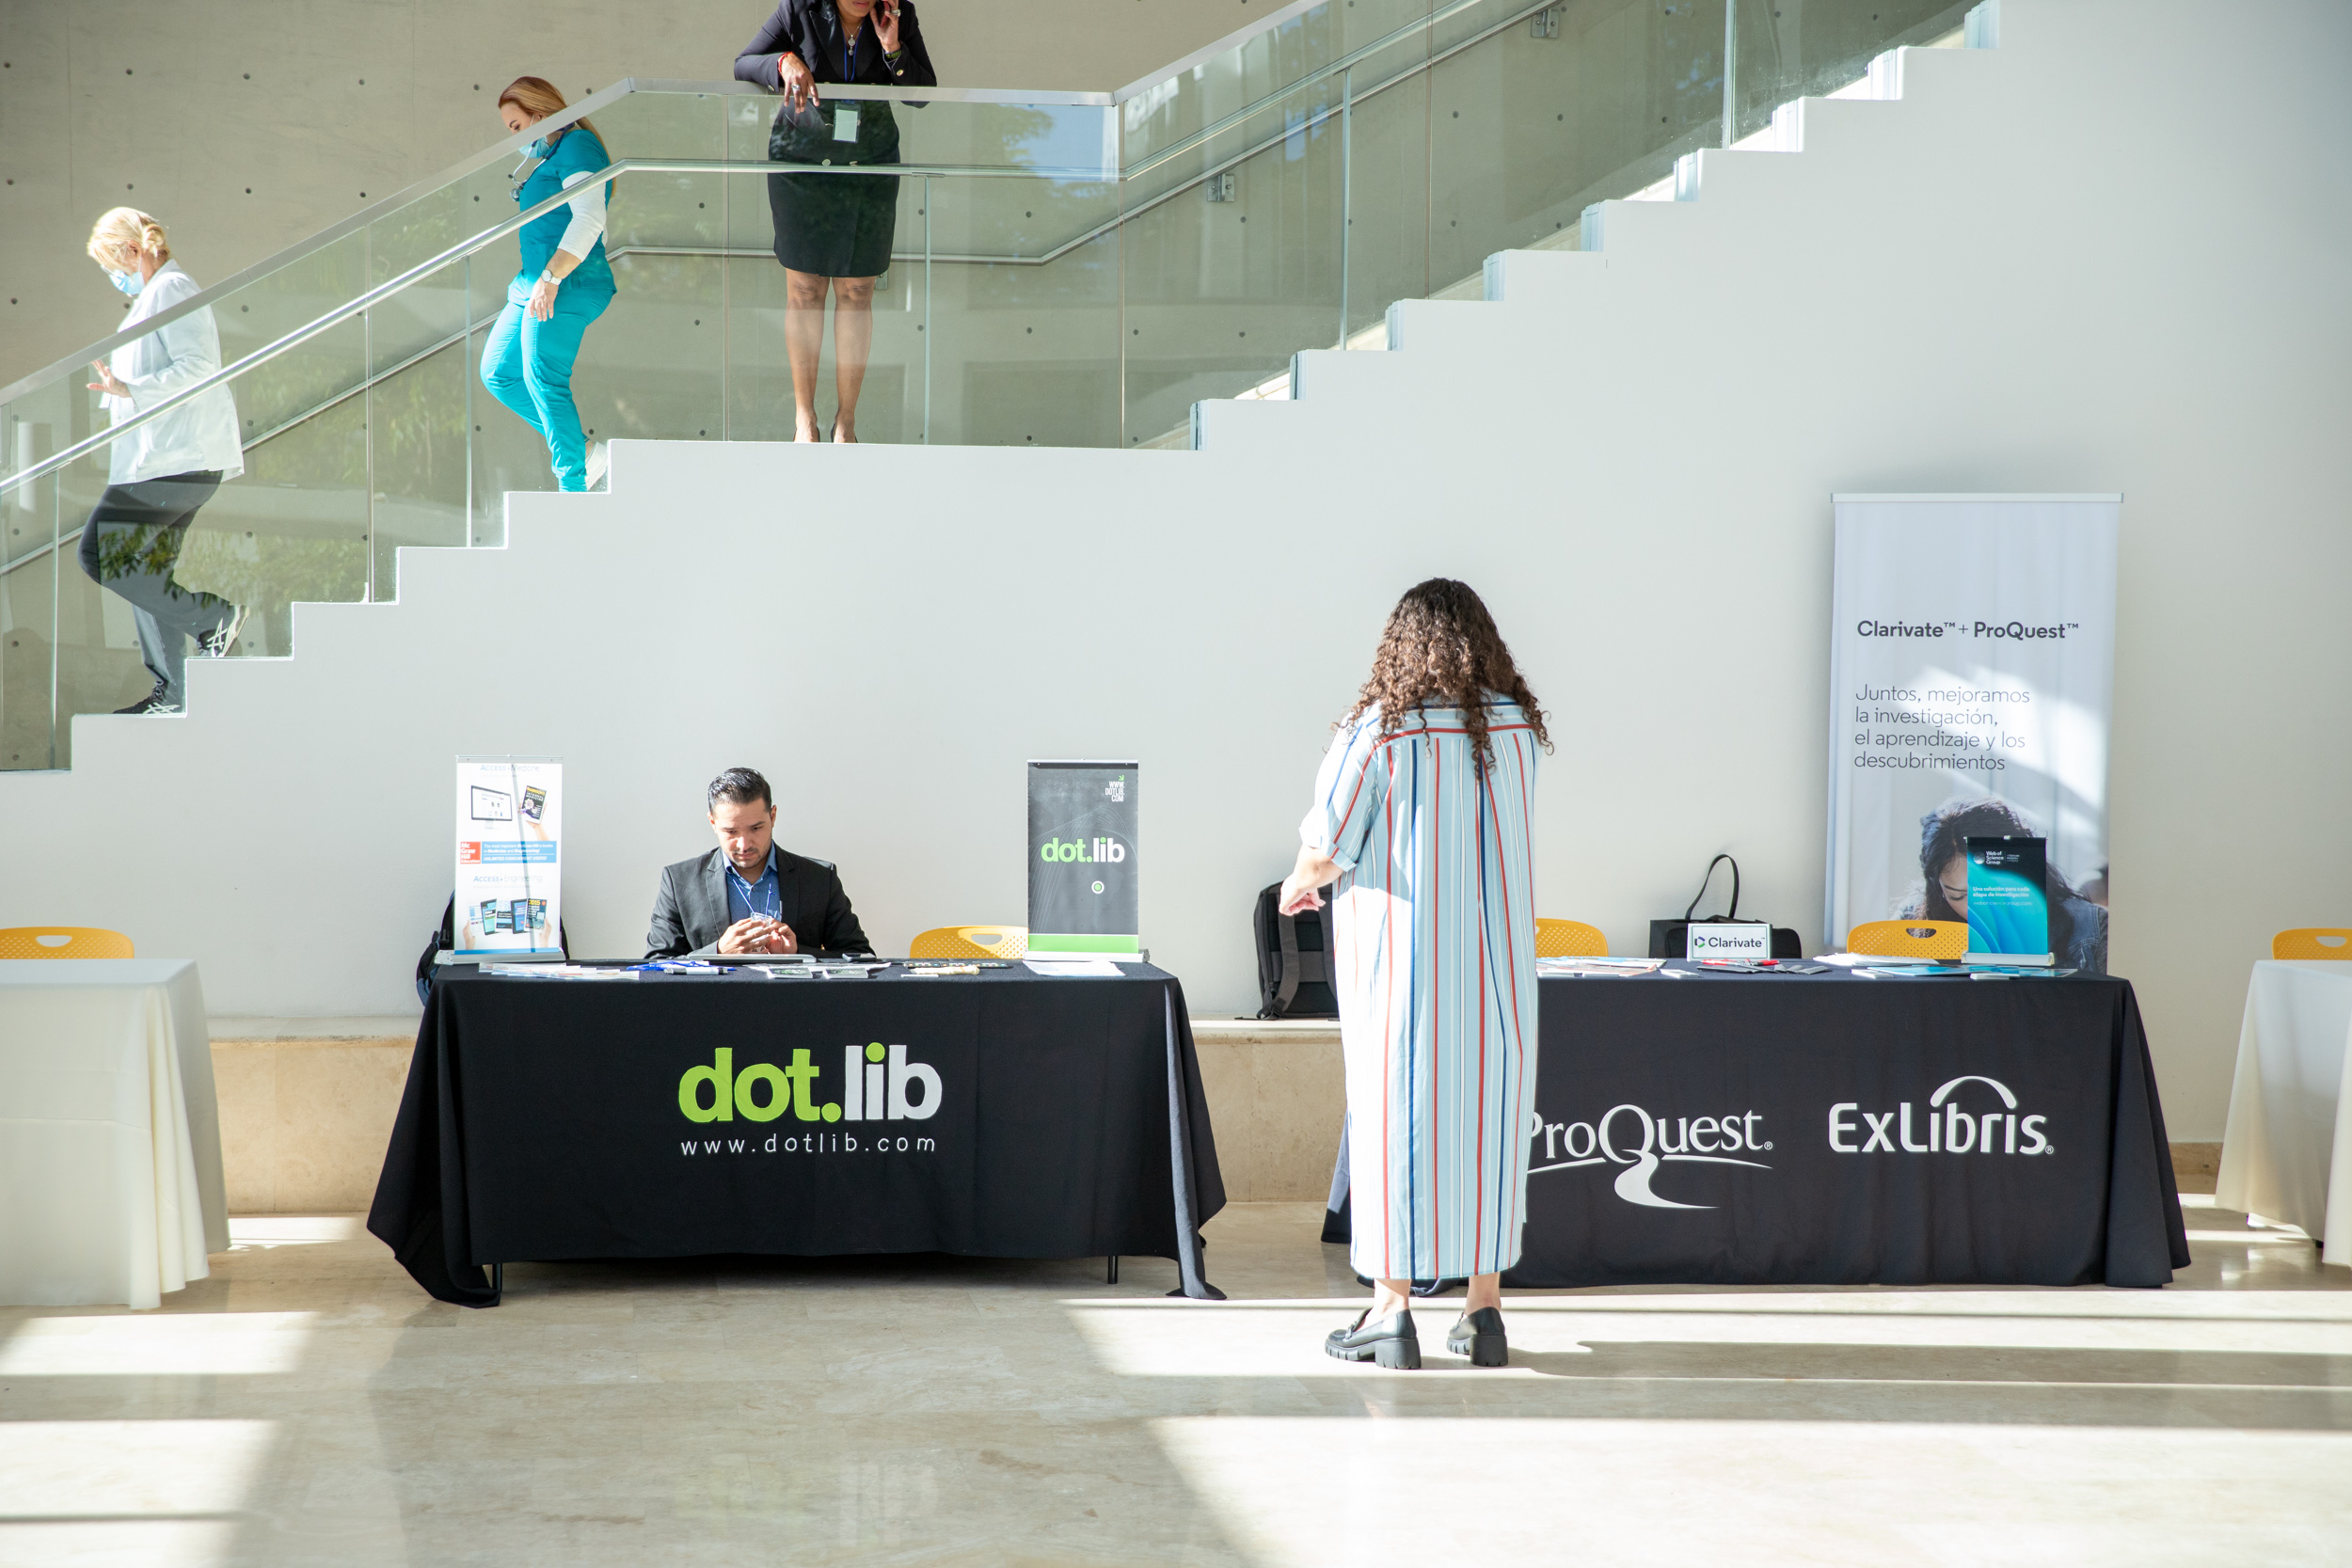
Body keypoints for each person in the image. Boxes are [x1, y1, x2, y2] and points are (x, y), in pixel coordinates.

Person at [1278, 579, 1549, 1370]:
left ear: (1402, 643)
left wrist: (1301, 881)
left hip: (1405, 974)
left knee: (1398, 1124)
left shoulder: (1384, 731)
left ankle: (1392, 1309)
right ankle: (1483, 1309)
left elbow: (1328, 839)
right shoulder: (1516, 727)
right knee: (1491, 1129)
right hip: (1499, 976)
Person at [735, 0, 937, 443]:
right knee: (806, 288)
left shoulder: (897, 12)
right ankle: (804, 418)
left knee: (857, 288)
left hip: (869, 162)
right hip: (803, 160)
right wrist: (784, 62)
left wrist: (893, 47)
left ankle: (846, 421)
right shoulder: (799, 8)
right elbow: (744, 64)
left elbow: (921, 94)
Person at [78, 208, 248, 716]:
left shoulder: (172, 290)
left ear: (132, 250)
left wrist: (129, 388)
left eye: (113, 263)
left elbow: (197, 367)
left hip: (178, 461)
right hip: (164, 461)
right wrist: (122, 394)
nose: (115, 278)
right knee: (142, 570)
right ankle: (173, 693)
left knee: (100, 556)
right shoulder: (152, 297)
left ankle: (213, 619)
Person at [481, 78, 617, 493]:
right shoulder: (552, 155)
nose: (515, 137)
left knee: (543, 377)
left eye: (517, 126)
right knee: (499, 373)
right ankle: (584, 452)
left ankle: (572, 485)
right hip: (531, 284)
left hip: (563, 283)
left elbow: (591, 219)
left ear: (540, 116)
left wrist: (553, 276)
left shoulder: (578, 147)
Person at [646, 768, 873, 958]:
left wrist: (798, 954)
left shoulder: (820, 878)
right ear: (713, 823)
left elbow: (860, 956)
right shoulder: (679, 881)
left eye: (756, 828)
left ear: (773, 817)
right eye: (731, 831)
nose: (744, 844)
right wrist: (717, 952)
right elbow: (656, 965)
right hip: (712, 1009)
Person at [1906, 797, 2108, 973]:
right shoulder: (1911, 924)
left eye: (1991, 890)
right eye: (1958, 896)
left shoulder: (2091, 929)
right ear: (1937, 888)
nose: (1980, 908)